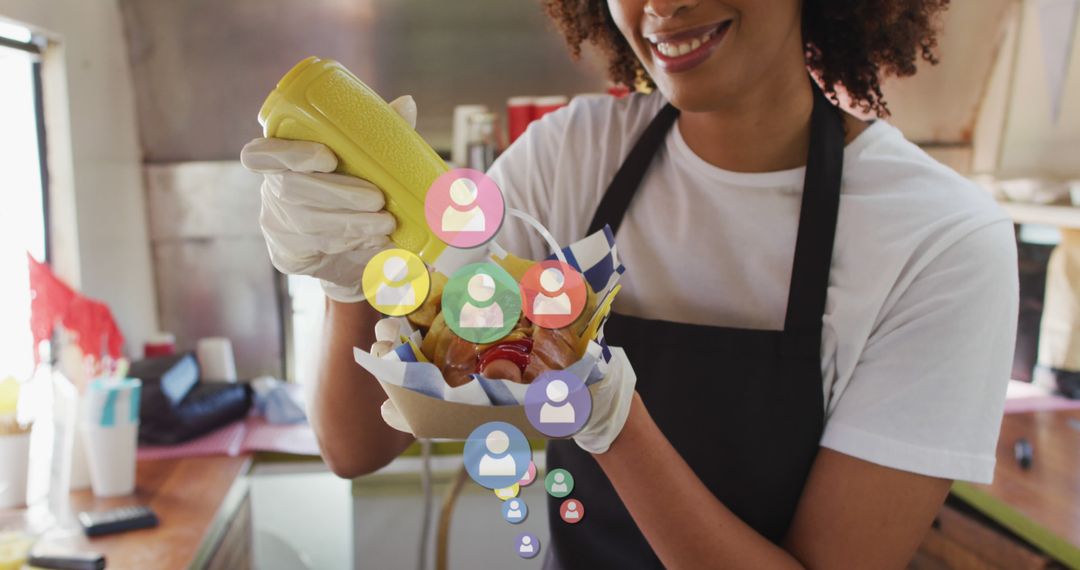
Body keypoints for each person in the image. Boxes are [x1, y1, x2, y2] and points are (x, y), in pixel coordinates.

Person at [240, 0, 1019, 567]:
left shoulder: (939, 242)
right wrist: (353, 274)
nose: (662, 5)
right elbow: (357, 444)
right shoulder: (570, 160)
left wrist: (615, 424)